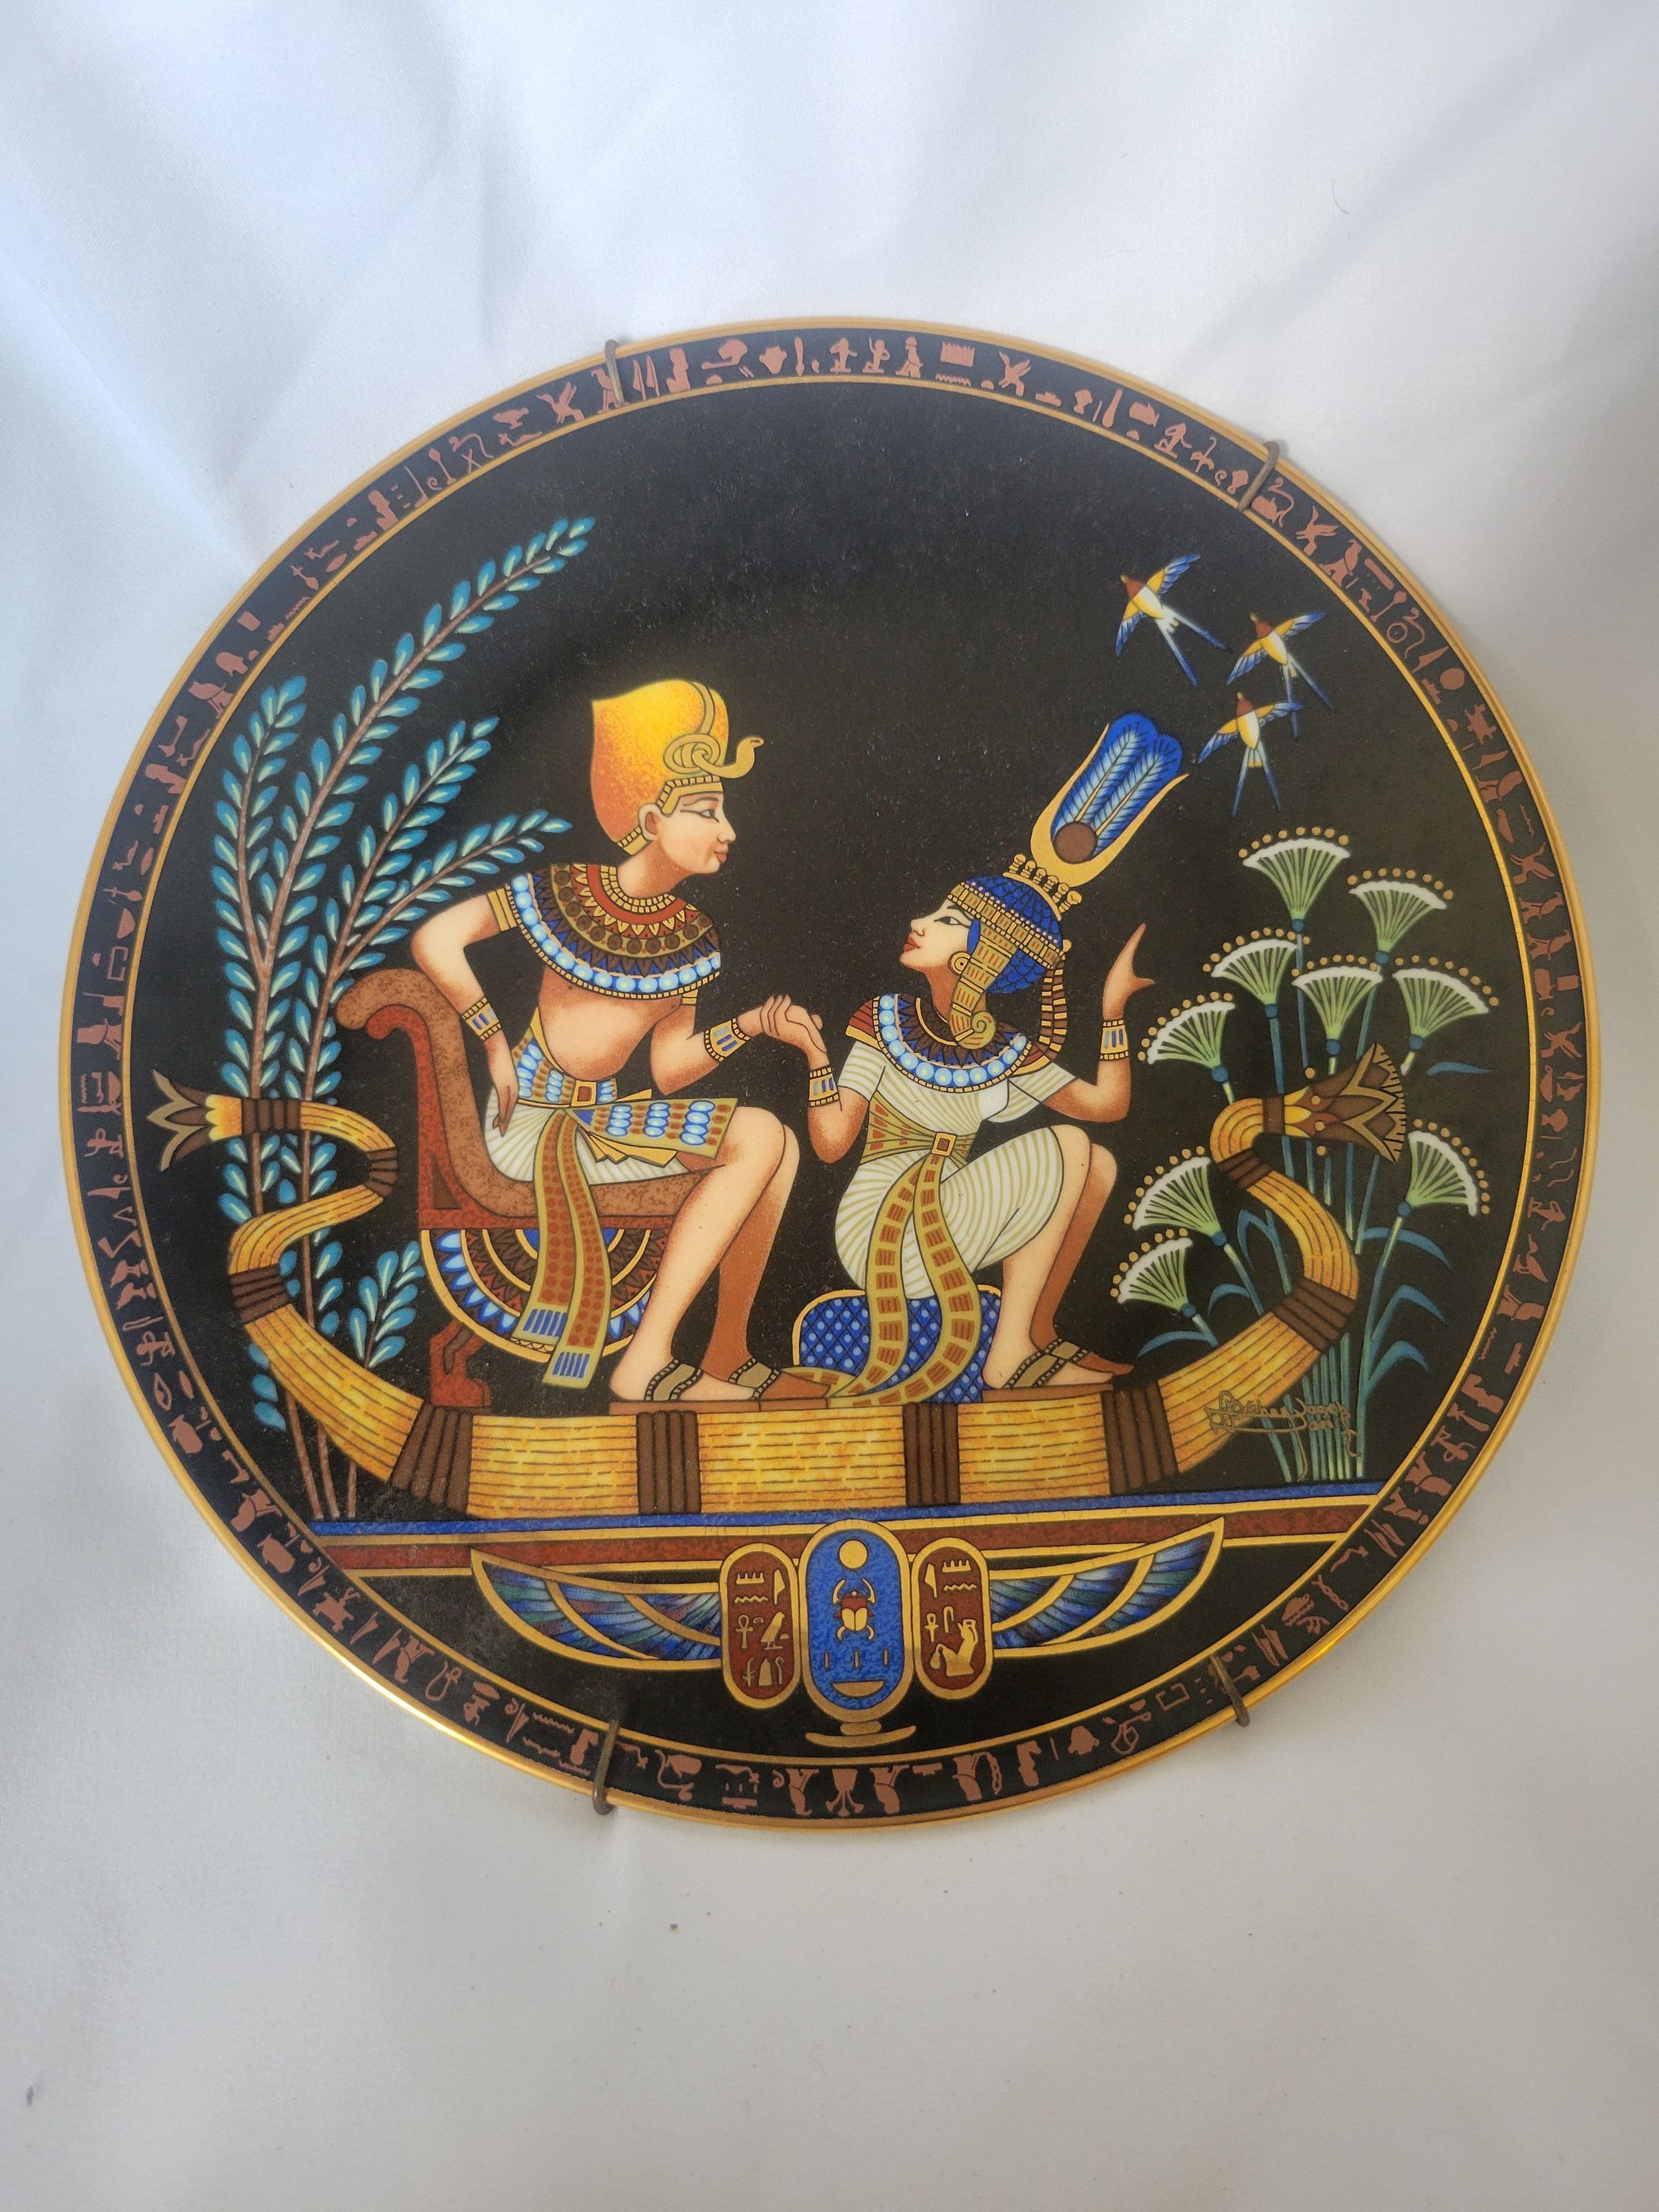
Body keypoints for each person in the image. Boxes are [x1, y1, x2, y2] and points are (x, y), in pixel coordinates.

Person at [411, 677, 814, 1405]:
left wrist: (751, 1026)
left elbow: (669, 1069)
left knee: (780, 1144)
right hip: (533, 1124)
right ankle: (645, 1360)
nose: (728, 830)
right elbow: (436, 937)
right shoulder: (563, 890)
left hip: (603, 1120)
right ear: (653, 819)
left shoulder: (693, 934)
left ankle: (726, 1352)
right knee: (758, 1135)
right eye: (708, 811)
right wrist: (492, 1041)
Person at [770, 712, 1183, 1400]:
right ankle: (1008, 1355)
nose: (919, 922)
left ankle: (1038, 1332)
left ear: (981, 959)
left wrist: (1112, 1009)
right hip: (882, 1220)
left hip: (954, 1212)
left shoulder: (1005, 1048)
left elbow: (1108, 1107)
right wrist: (815, 1056)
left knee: (1098, 1161)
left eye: (946, 920)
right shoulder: (887, 1018)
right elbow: (834, 1143)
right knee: (1067, 1147)